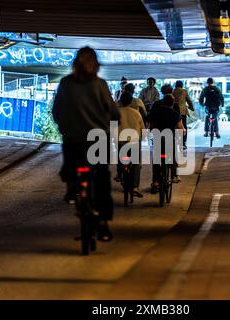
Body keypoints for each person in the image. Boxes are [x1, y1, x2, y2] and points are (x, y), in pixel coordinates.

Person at [52, 46, 120, 241]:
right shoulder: (100, 85)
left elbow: (57, 111)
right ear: (96, 65)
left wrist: (64, 126)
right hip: (98, 139)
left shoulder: (65, 83)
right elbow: (114, 113)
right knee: (101, 179)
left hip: (73, 139)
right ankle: (103, 224)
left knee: (71, 167)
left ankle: (73, 192)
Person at [147, 84, 185, 193]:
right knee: (172, 155)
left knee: (156, 160)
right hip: (169, 136)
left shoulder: (156, 105)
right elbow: (179, 124)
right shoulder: (175, 108)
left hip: (157, 136)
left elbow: (149, 119)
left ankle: (155, 181)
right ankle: (174, 175)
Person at [115, 92, 145, 197]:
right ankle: (135, 186)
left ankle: (120, 174)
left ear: (120, 101)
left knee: (120, 158)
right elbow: (143, 129)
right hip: (134, 142)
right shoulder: (136, 113)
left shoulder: (116, 113)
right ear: (131, 101)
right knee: (135, 163)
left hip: (121, 142)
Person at [173, 80, 194, 149]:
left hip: (174, 111)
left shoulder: (173, 91)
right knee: (184, 126)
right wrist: (191, 108)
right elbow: (189, 100)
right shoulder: (184, 91)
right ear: (182, 85)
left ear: (176, 85)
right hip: (182, 112)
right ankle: (183, 143)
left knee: (174, 126)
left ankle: (174, 141)